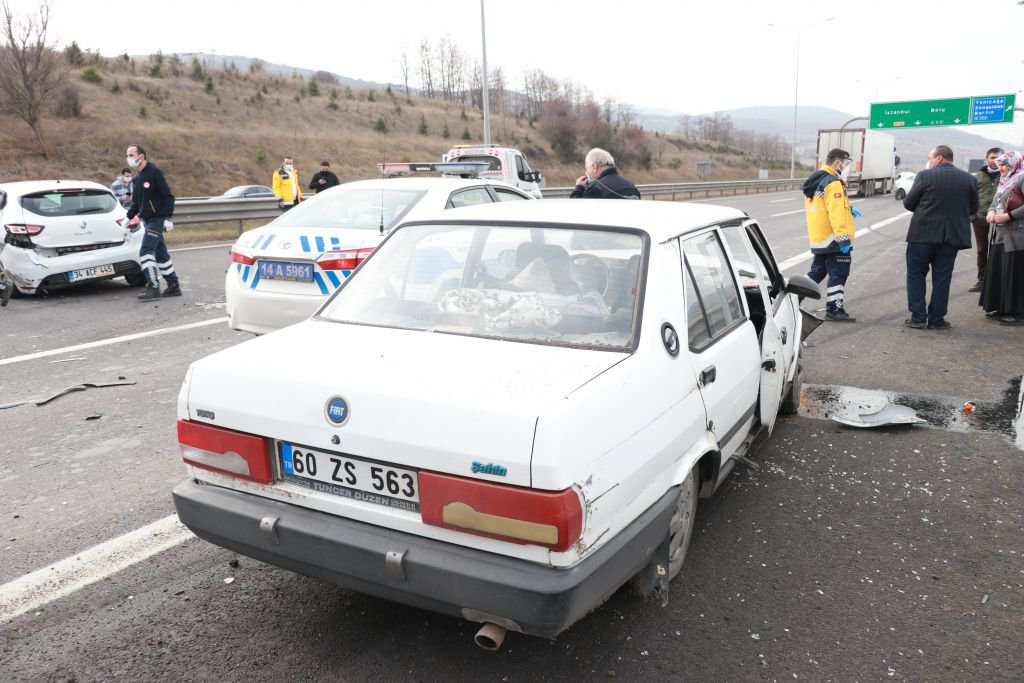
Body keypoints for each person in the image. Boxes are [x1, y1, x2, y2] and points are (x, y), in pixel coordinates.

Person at [902, 145, 979, 330]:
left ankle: (918, 318)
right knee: (943, 278)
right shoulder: (969, 179)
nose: (929, 161)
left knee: (916, 275)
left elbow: (909, 202)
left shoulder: (925, 175)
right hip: (950, 238)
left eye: (930, 157)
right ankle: (937, 319)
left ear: (939, 158)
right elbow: (974, 208)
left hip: (922, 235)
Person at [802, 148, 858, 322]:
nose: (847, 167)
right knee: (839, 273)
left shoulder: (816, 180)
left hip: (820, 238)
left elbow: (823, 207)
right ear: (837, 162)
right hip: (834, 239)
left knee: (817, 272)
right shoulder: (833, 182)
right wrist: (843, 239)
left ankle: (791, 297)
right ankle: (834, 309)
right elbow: (835, 213)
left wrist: (848, 208)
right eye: (846, 163)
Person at [125, 144, 181, 301]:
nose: (128, 158)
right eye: (127, 155)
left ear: (141, 156)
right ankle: (173, 285)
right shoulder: (136, 179)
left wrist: (168, 218)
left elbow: (168, 197)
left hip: (157, 219)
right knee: (161, 254)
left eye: (130, 154)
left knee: (145, 251)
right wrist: (128, 217)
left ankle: (153, 286)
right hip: (147, 220)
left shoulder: (154, 172)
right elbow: (136, 203)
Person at [979, 151, 1024, 326]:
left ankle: (1017, 312)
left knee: (1014, 273)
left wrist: (1008, 216)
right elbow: (996, 201)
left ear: (1015, 164)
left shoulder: (1021, 178)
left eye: (1005, 164)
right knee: (1001, 270)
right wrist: (991, 211)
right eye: (1000, 164)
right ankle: (1002, 307)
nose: (1001, 168)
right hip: (1000, 234)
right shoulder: (1006, 180)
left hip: (1017, 234)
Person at [968, 147, 1004, 292]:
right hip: (980, 217)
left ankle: (998, 281)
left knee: (999, 250)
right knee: (982, 249)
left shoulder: (1006, 174)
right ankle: (982, 280)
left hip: (1001, 218)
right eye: (992, 158)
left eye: (998, 158)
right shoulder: (977, 176)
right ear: (986, 158)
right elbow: (969, 197)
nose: (995, 161)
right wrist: (973, 216)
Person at [569, 148, 640, 199]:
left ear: (594, 167)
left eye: (587, 168)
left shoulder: (595, 189)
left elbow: (577, 212)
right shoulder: (632, 187)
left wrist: (578, 189)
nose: (586, 173)